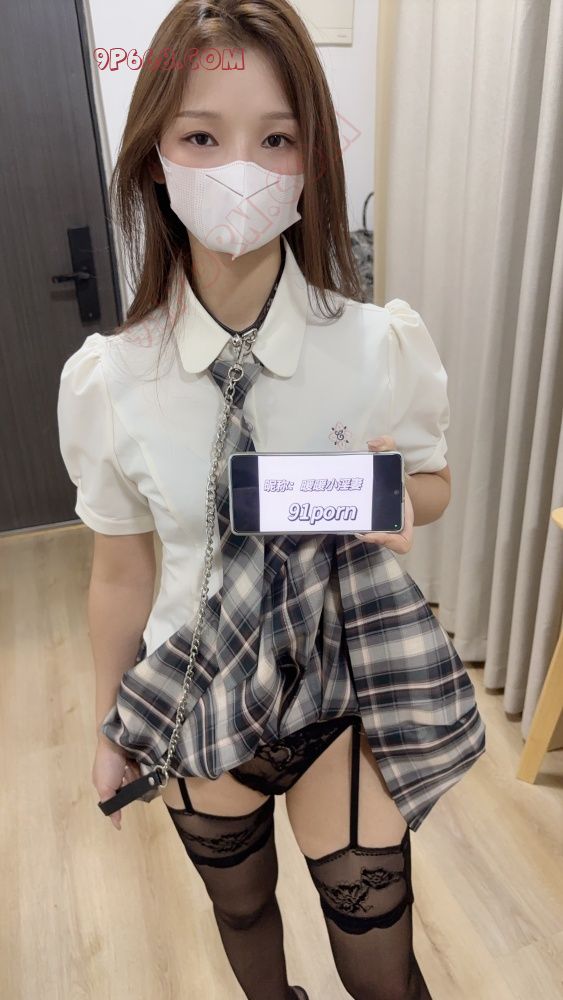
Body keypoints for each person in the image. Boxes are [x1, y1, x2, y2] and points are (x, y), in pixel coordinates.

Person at [57, 3, 486, 998]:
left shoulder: (377, 343)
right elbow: (119, 571)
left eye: (277, 139)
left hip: (339, 682)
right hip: (197, 682)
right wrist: (107, 726)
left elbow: (432, 483)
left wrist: (394, 499)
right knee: (243, 913)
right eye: (202, 137)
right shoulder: (111, 380)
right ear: (154, 158)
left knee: (377, 950)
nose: (240, 170)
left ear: (310, 160)